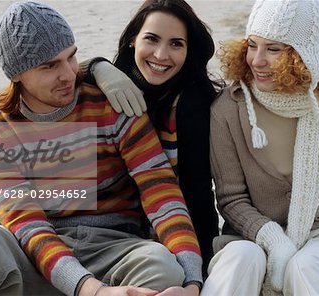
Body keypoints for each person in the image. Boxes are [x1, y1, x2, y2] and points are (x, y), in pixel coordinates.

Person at [0, 2, 204, 295]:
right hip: (40, 255)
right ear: (16, 74)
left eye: (71, 57)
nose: (68, 74)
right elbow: (30, 228)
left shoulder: (115, 107)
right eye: (50, 66)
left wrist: (192, 280)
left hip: (116, 249)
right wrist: (92, 290)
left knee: (164, 268)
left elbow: (162, 195)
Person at [201, 0, 319, 295]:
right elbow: (231, 199)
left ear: (304, 54)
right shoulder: (229, 109)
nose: (257, 60)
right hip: (247, 236)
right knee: (241, 260)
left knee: (308, 266)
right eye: (253, 45)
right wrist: (273, 238)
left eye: (273, 49)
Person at [81, 0, 221, 272]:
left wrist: (200, 270)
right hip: (106, 232)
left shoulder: (193, 103)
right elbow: (56, 76)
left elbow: (198, 193)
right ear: (133, 40)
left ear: (189, 49)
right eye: (152, 39)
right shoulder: (110, 87)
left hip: (166, 239)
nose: (160, 54)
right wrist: (97, 67)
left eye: (176, 44)